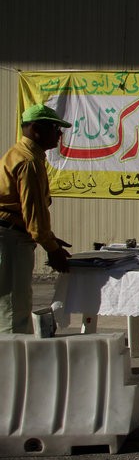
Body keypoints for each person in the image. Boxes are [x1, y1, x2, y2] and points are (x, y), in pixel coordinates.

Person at [0, 104, 72, 334]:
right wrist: (51, 248)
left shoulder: (21, 154)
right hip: (10, 238)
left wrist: (49, 238)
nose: (59, 134)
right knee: (13, 311)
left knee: (12, 305)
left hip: (11, 234)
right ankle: (12, 367)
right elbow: (33, 212)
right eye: (55, 128)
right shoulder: (29, 162)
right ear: (36, 129)